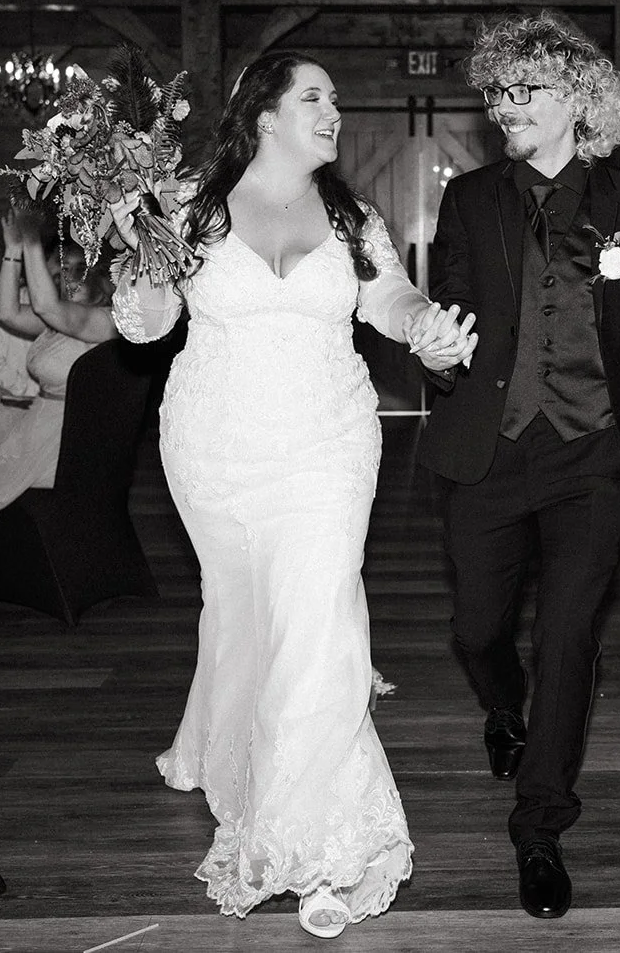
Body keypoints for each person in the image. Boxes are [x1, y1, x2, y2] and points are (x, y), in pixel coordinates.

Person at [111, 51, 467, 939]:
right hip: (213, 448)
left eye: (336, 99)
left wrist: (423, 326)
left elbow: (388, 295)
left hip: (328, 444)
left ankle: (315, 850)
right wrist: (138, 255)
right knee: (243, 612)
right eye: (316, 96)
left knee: (318, 620)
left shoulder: (350, 214)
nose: (334, 110)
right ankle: (223, 746)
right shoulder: (190, 208)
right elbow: (149, 325)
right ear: (263, 115)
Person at [416, 11, 620, 920]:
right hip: (488, 449)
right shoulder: (472, 200)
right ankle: (505, 708)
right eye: (498, 91)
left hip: (593, 456)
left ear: (580, 103)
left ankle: (541, 824)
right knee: (477, 631)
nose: (505, 106)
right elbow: (450, 310)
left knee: (569, 636)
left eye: (527, 90)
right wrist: (435, 352)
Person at [0, 201, 119, 521]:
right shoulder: (61, 319)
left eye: (75, 269)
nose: (64, 279)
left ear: (100, 275)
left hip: (69, 441)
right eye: (62, 270)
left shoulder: (109, 321)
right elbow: (7, 313)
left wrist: (31, 241)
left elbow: (45, 306)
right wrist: (14, 249)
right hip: (36, 430)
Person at [0, 230, 82, 396]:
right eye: (62, 263)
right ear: (40, 263)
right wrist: (38, 394)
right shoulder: (0, 305)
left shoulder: (77, 313)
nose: (67, 274)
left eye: (79, 269)